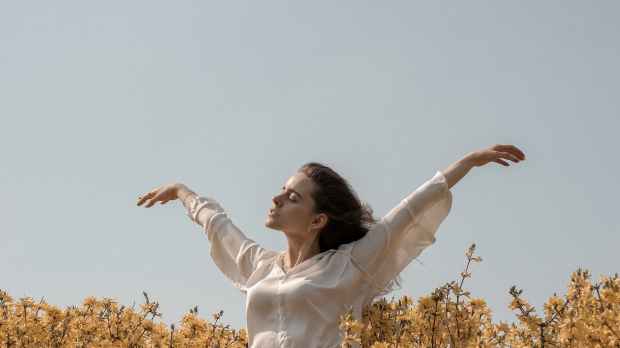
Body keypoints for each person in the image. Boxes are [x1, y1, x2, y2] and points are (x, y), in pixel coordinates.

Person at [137, 144, 526, 347]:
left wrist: (468, 162)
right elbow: (218, 226)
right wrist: (182, 192)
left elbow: (407, 213)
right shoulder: (261, 266)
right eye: (281, 191)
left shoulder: (351, 265)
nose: (276, 199)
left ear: (318, 220)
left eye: (293, 198)